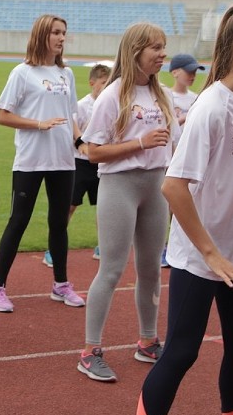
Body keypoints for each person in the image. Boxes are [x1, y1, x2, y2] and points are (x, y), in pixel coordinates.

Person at [135, 6, 233, 415]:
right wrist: (212, 254)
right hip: (199, 257)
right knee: (182, 352)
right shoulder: (213, 108)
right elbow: (173, 187)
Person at [76, 23, 177, 383]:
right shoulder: (113, 94)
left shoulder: (161, 94)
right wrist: (140, 143)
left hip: (156, 185)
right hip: (120, 185)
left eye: (164, 48)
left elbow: (172, 144)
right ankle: (90, 351)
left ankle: (147, 341)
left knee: (151, 267)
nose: (162, 55)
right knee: (113, 269)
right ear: (135, 51)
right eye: (156, 49)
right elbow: (92, 152)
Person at [0, 14, 85, 313]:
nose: (61, 38)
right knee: (18, 222)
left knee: (59, 223)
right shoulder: (22, 72)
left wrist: (82, 144)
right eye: (55, 32)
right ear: (42, 35)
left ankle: (61, 284)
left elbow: (72, 118)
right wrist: (38, 124)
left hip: (63, 161)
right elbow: (3, 115)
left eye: (64, 33)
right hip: (30, 160)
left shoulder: (65, 74)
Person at [43, 63, 111, 266]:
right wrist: (81, 145)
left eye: (110, 83)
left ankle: (103, 247)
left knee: (104, 208)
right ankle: (52, 249)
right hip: (80, 165)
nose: (107, 87)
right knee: (69, 206)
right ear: (92, 83)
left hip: (101, 164)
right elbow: (72, 130)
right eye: (103, 83)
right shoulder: (82, 106)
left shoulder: (110, 104)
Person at [159, 53, 205, 267]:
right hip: (172, 157)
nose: (193, 75)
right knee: (169, 205)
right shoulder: (166, 96)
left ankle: (186, 243)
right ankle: (165, 245)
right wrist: (185, 117)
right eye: (189, 71)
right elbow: (165, 127)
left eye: (195, 71)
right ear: (175, 72)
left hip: (193, 157)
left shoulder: (196, 97)